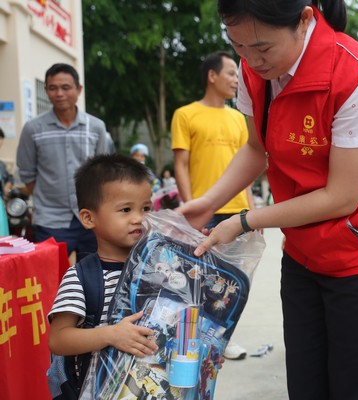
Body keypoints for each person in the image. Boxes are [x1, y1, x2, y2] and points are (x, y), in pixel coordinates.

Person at [177, 1, 358, 398]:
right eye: (239, 47)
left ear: (305, 19)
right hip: (305, 251)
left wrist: (246, 219)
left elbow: (342, 197)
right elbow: (256, 147)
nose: (251, 60)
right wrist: (209, 201)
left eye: (263, 48)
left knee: (357, 388)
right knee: (305, 384)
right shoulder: (255, 71)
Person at [47, 154, 158, 396]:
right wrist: (110, 334)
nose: (139, 218)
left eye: (146, 208)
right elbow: (58, 339)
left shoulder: (157, 268)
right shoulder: (82, 277)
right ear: (89, 218)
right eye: (126, 209)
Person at [171, 51, 254, 360]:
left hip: (237, 211)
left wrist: (251, 209)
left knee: (233, 280)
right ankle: (196, 337)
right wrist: (190, 204)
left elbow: (249, 167)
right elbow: (181, 163)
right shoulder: (186, 114)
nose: (237, 79)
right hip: (202, 210)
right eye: (232, 73)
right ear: (212, 76)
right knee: (201, 278)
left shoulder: (239, 117)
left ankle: (224, 337)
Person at [16, 63, 108, 264]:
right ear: (46, 90)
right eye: (52, 88)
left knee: (93, 277)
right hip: (50, 220)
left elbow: (103, 173)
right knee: (49, 280)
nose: (59, 93)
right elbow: (27, 173)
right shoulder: (33, 129)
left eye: (65, 87)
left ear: (78, 89)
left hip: (90, 217)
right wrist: (47, 199)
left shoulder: (96, 127)